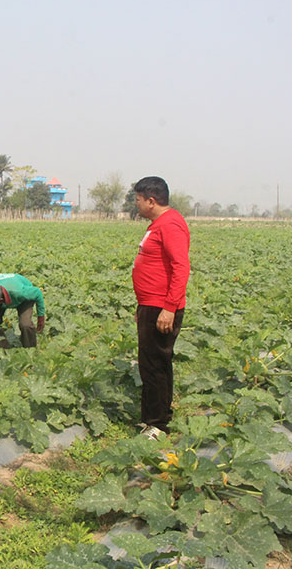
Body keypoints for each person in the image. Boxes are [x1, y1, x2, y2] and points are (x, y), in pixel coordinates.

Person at [132, 176, 191, 440]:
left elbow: (181, 267)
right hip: (151, 304)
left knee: (155, 364)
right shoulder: (159, 224)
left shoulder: (170, 224)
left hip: (161, 307)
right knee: (152, 362)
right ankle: (153, 419)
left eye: (138, 200)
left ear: (151, 201)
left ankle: (158, 425)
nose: (137, 205)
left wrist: (169, 308)